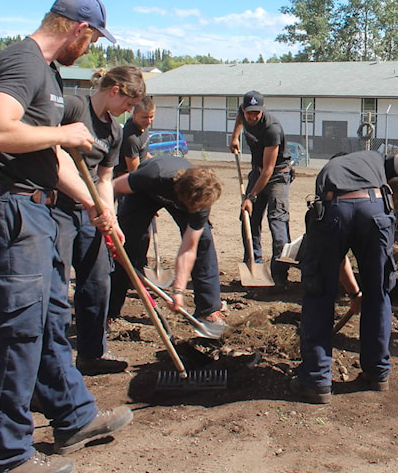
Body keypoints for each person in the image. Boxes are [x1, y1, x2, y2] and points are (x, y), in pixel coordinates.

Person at [0, 0, 132, 473]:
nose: (92, 49)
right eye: (93, 38)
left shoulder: (50, 76)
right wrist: (66, 133)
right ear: (79, 29)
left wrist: (97, 206)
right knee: (15, 332)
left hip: (33, 209)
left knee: (48, 318)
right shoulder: (23, 62)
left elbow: (50, 158)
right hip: (7, 210)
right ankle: (6, 455)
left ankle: (72, 416)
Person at [292, 150, 398, 404]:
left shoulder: (328, 172)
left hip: (333, 207)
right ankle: (377, 373)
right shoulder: (377, 160)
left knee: (319, 291)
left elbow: (336, 259)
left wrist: (351, 293)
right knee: (379, 293)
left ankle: (316, 380)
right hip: (376, 210)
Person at [54, 67, 145, 376]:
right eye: (129, 104)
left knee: (97, 282)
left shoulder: (114, 131)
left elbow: (105, 177)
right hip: (57, 208)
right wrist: (92, 202)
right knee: (55, 286)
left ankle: (92, 353)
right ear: (115, 90)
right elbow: (50, 148)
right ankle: (53, 363)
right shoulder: (73, 107)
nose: (129, 112)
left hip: (90, 212)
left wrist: (110, 215)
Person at [111, 156, 225, 324]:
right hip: (145, 192)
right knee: (126, 247)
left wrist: (178, 290)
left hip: (183, 196)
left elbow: (188, 248)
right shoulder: (153, 174)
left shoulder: (201, 201)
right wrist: (108, 217)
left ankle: (208, 309)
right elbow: (113, 186)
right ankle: (108, 310)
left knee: (203, 242)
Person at [230, 90, 292, 286]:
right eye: (249, 112)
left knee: (277, 222)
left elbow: (269, 170)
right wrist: (234, 137)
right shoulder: (244, 115)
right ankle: (253, 263)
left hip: (277, 175)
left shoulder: (271, 128)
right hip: (258, 172)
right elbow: (240, 118)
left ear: (263, 109)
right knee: (248, 218)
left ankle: (279, 275)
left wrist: (251, 196)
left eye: (256, 112)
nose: (252, 116)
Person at [114, 96, 154, 177]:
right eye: (145, 117)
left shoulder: (142, 125)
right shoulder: (131, 139)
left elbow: (142, 151)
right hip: (125, 180)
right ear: (135, 114)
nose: (149, 121)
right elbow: (134, 173)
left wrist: (156, 161)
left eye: (151, 117)